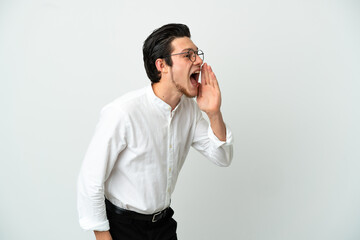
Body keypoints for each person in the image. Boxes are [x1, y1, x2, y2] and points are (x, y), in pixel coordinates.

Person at [77, 23, 234, 240]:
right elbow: (90, 182)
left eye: (197, 54)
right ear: (162, 65)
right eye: (188, 55)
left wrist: (214, 113)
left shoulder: (189, 110)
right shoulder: (123, 112)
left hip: (163, 226)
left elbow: (222, 157)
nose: (198, 60)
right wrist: (103, 236)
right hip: (122, 227)